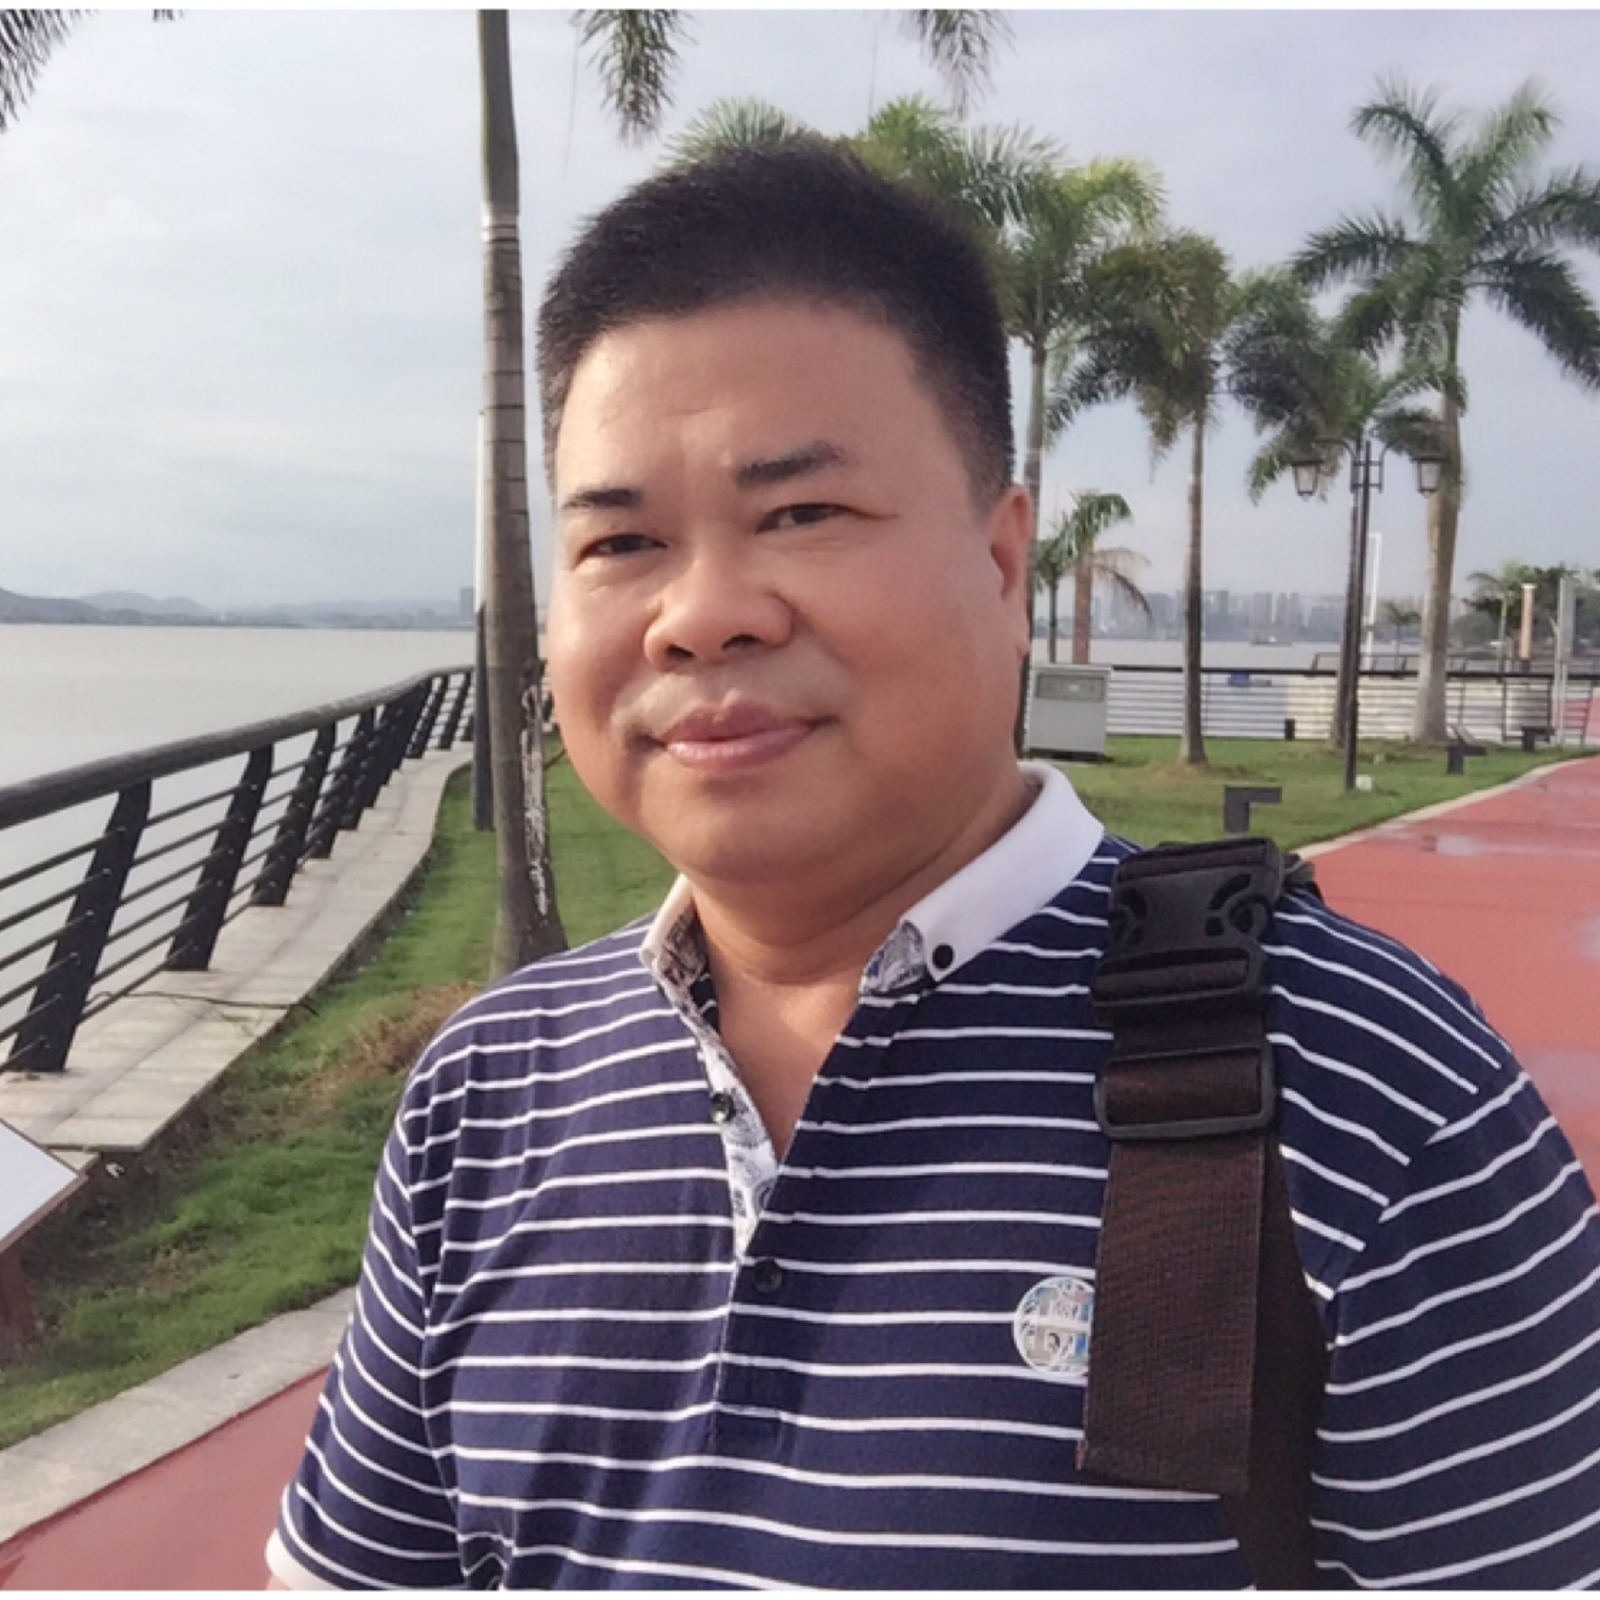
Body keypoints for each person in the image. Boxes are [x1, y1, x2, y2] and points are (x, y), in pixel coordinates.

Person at [267, 142, 1600, 1589]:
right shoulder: (488, 1096)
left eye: (801, 514)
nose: (699, 615)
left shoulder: (1365, 1080)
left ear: (1005, 561)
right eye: (623, 541)